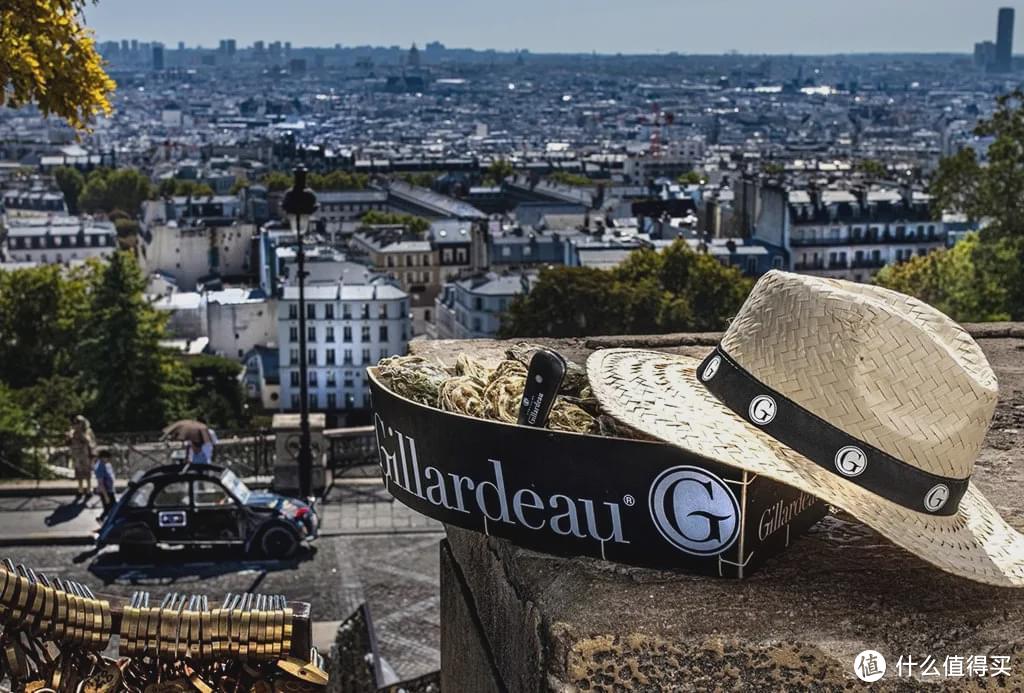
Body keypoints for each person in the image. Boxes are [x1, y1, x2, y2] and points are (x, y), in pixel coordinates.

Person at [66, 415, 96, 499]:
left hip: (86, 454)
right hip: (76, 454)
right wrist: (69, 436)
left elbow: (90, 442)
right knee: (78, 472)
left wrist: (81, 434)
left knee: (87, 472)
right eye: (75, 423)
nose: (76, 425)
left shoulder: (88, 431)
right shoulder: (72, 432)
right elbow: (68, 443)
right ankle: (80, 489)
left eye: (78, 423)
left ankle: (89, 489)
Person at [93, 450, 116, 520]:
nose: (108, 460)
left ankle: (102, 520)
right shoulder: (100, 467)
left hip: (109, 490)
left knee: (111, 509)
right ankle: (102, 520)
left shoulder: (104, 465)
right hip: (105, 491)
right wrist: (106, 496)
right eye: (107, 458)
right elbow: (101, 483)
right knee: (110, 509)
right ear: (103, 458)